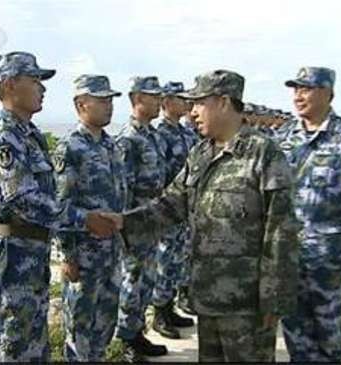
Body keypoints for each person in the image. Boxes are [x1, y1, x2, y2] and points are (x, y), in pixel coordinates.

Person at [109, 69, 299, 362]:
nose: (192, 111)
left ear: (223, 102)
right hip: (207, 299)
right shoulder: (201, 154)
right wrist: (123, 222)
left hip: (247, 306)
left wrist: (274, 299)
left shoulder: (263, 154)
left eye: (198, 103)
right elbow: (172, 204)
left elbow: (281, 231)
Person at [0, 53, 119, 362]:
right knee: (11, 345)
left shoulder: (31, 137)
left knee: (34, 346)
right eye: (35, 81)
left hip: (33, 252)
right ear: (10, 85)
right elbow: (23, 199)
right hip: (13, 258)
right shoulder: (4, 137)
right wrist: (84, 220)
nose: (42, 88)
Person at [278, 67, 341, 362]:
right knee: (294, 327)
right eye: (295, 89)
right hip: (288, 255)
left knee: (328, 331)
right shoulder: (283, 137)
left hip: (329, 257)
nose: (299, 96)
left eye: (307, 89)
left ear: (328, 93)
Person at [52, 74, 127, 361]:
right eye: (102, 100)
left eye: (110, 100)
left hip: (110, 253)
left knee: (104, 326)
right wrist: (67, 255)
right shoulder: (70, 147)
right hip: (84, 256)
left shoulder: (111, 145)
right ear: (81, 104)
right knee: (80, 328)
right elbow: (60, 204)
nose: (109, 106)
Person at [115, 76, 168, 362]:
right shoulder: (128, 139)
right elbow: (123, 188)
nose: (159, 100)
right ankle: (126, 340)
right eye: (153, 96)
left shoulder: (152, 135)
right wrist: (125, 227)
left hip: (152, 220)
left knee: (147, 279)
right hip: (135, 222)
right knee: (132, 280)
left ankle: (137, 332)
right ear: (137, 99)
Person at [152, 81, 197, 339]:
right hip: (169, 207)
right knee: (165, 258)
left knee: (178, 257)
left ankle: (170, 306)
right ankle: (160, 311)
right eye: (181, 98)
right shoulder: (161, 133)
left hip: (186, 208)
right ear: (167, 102)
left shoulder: (186, 133)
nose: (186, 103)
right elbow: (159, 174)